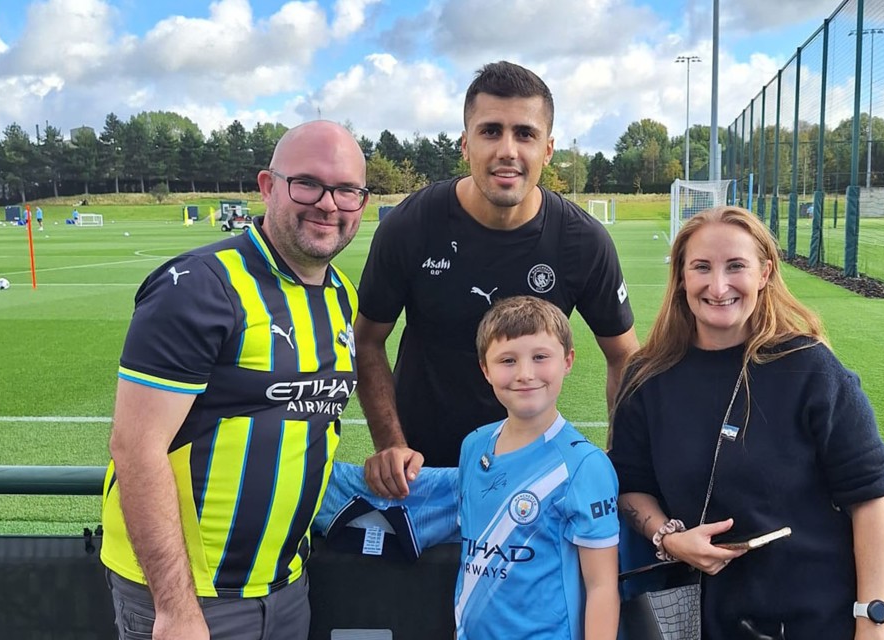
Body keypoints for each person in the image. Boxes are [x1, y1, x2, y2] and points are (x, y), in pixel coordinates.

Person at [100, 120, 368, 640]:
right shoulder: (200, 286)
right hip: (190, 599)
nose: (328, 204)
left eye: (347, 191)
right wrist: (176, 609)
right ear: (268, 186)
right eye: (308, 184)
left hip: (286, 587)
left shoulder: (341, 295)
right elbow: (135, 448)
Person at [609, 206, 884, 640]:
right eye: (701, 267)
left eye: (736, 266)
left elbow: (869, 498)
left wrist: (873, 620)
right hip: (699, 622)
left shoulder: (813, 370)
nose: (718, 285)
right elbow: (631, 483)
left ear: (764, 272)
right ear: (682, 277)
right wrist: (668, 539)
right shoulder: (648, 377)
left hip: (815, 620)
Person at [356, 60, 638, 497]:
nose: (508, 149)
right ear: (465, 145)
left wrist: (620, 465)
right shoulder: (411, 225)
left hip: (530, 471)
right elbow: (367, 339)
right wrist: (392, 445)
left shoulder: (582, 241)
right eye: (491, 131)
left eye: (525, 133)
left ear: (547, 149)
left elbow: (624, 356)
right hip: (421, 473)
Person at [455, 296, 619, 640]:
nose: (525, 374)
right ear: (485, 369)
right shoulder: (473, 446)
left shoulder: (584, 466)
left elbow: (602, 587)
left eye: (541, 357)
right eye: (507, 360)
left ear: (568, 361)